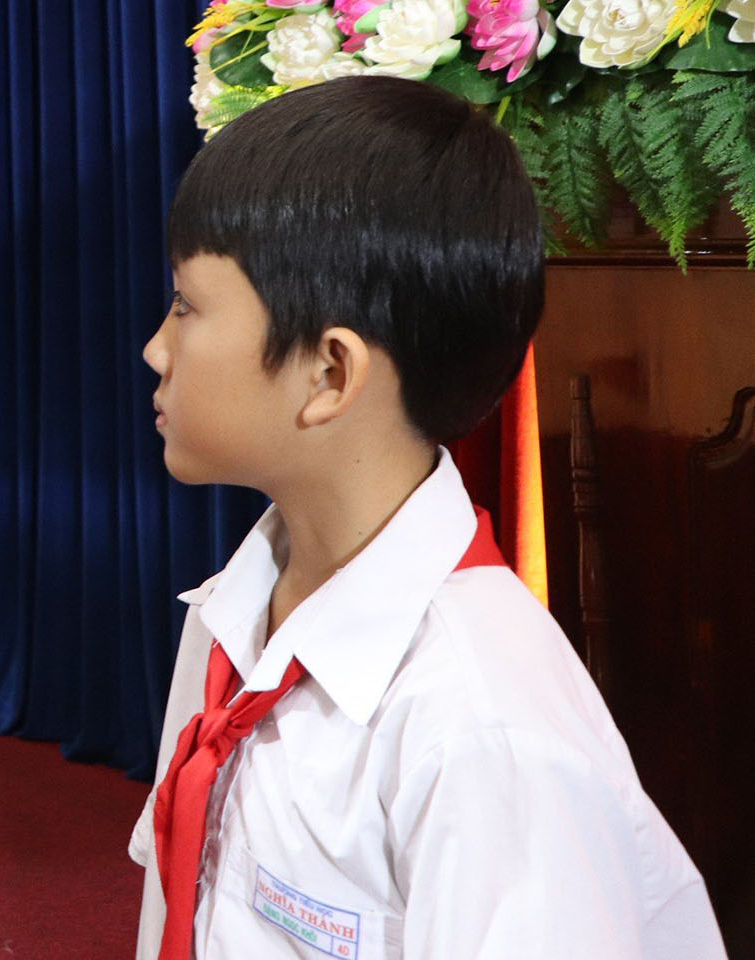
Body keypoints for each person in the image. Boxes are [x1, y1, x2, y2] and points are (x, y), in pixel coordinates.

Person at [127, 75, 724, 959]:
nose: (156, 347)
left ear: (331, 374)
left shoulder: (484, 729)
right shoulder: (230, 614)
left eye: (187, 306)